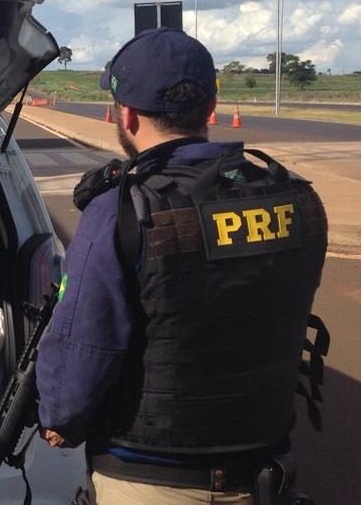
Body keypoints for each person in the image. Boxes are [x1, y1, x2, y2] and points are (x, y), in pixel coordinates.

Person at [35, 28, 328, 505]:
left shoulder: (121, 209)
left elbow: (85, 343)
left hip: (152, 474)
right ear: (210, 106)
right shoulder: (297, 197)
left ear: (126, 114)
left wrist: (61, 419)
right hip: (266, 468)